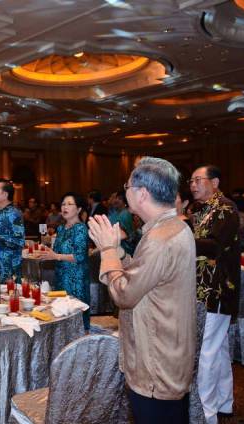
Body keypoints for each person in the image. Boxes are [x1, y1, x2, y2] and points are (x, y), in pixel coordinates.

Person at [89, 157, 196, 423]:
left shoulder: (161, 238)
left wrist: (108, 250)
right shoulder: (173, 228)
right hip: (167, 354)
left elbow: (124, 294)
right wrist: (121, 253)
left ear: (142, 194)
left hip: (156, 365)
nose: (124, 190)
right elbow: (144, 275)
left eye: (127, 185)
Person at [189, 165, 240, 424]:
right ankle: (224, 402)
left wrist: (183, 235)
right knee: (218, 348)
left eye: (198, 180)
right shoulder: (203, 210)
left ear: (215, 182)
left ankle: (206, 414)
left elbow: (216, 248)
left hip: (217, 289)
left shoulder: (226, 209)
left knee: (208, 350)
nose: (193, 185)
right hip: (204, 289)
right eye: (191, 181)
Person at [38, 192, 90, 330]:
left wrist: (56, 256)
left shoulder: (81, 229)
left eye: (69, 204)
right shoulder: (61, 228)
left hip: (75, 278)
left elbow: (79, 256)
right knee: (61, 312)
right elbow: (57, 251)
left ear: (78, 209)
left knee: (75, 313)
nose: (65, 207)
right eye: (63, 204)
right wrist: (48, 251)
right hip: (61, 275)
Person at [108, 190, 138, 256]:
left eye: (120, 199)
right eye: (116, 198)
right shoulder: (115, 212)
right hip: (115, 246)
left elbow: (129, 235)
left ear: (125, 201)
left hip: (125, 248)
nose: (116, 200)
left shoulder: (125, 214)